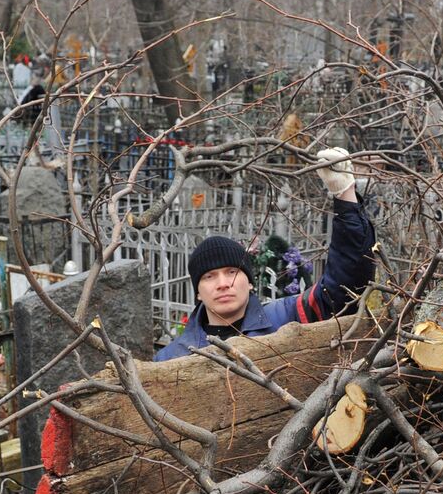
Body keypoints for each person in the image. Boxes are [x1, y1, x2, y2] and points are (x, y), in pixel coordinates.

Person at [155, 148, 376, 361]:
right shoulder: (172, 358)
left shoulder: (289, 319)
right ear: (198, 293)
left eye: (232, 271)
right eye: (209, 276)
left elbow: (343, 288)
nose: (223, 283)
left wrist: (345, 195)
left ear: (250, 283)